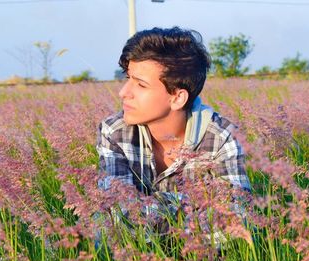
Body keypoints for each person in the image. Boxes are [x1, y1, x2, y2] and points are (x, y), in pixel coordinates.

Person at [96, 27, 251, 224]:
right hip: (135, 253)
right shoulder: (114, 131)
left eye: (141, 85)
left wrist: (144, 208)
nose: (123, 92)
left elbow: (236, 218)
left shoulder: (223, 137)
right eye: (128, 79)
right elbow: (118, 213)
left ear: (178, 98)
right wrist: (197, 208)